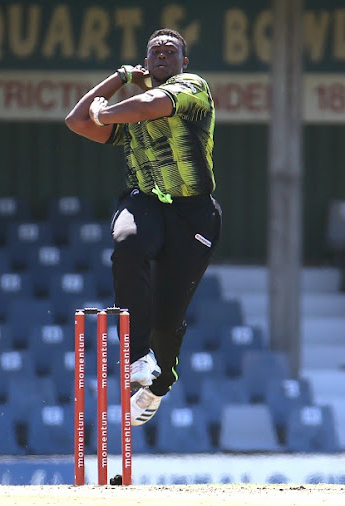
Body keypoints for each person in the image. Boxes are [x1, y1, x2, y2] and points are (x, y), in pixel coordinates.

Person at [65, 29, 222, 426]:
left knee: (167, 323)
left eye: (171, 52)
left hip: (194, 213)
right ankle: (136, 356)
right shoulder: (130, 108)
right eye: (156, 52)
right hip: (146, 202)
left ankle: (158, 386)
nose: (163, 56)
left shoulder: (193, 89)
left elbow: (153, 104)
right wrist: (119, 77)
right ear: (145, 61)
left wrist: (107, 110)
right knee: (128, 243)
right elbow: (76, 121)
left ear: (185, 62)